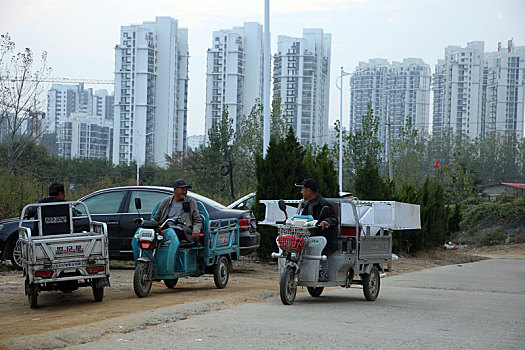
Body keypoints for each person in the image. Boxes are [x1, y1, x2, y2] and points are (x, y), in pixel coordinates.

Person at [295, 178, 339, 281]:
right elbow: (303, 219)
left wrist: (326, 222)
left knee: (318, 245)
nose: (301, 192)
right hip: (310, 236)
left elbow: (334, 219)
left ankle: (323, 271)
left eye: (303, 189)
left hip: (324, 239)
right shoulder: (307, 205)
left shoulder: (324, 204)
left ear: (309, 190)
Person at [153, 179, 203, 244]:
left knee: (172, 233)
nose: (184, 192)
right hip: (166, 229)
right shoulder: (166, 202)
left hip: (183, 231)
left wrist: (196, 230)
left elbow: (197, 220)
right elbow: (156, 218)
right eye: (182, 190)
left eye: (186, 190)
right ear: (175, 190)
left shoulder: (191, 202)